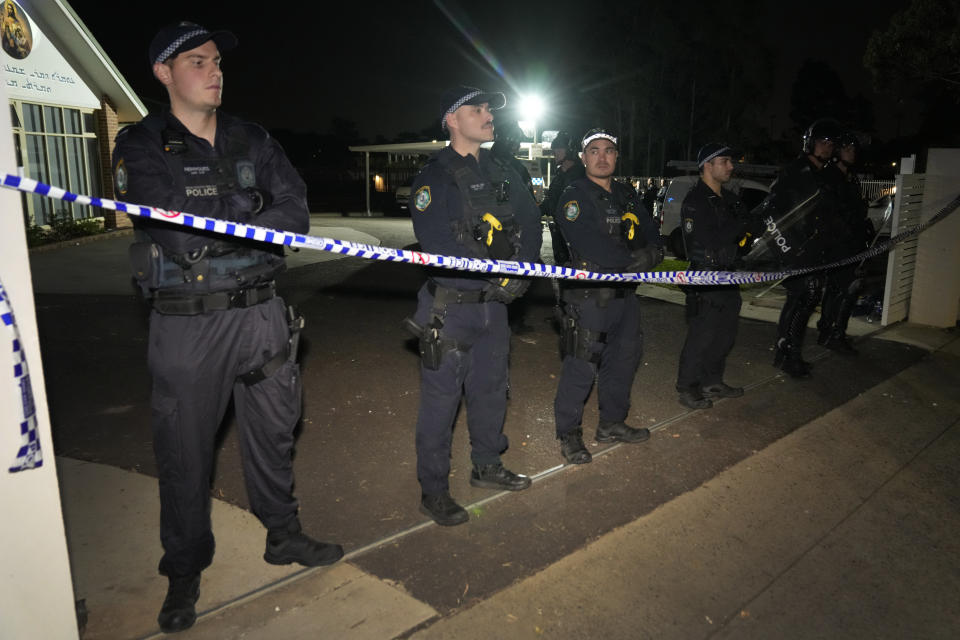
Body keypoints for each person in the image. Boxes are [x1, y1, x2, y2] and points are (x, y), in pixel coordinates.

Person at [113, 22, 342, 634]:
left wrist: (229, 215)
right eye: (197, 61)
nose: (214, 71)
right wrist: (249, 212)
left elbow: (295, 213)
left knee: (274, 434)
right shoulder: (141, 144)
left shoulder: (252, 137)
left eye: (217, 61)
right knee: (185, 453)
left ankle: (283, 536)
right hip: (190, 325)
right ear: (163, 73)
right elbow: (177, 232)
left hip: (263, 313)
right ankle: (184, 569)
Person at [406, 86, 542, 526]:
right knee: (441, 403)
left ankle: (487, 466)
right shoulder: (434, 176)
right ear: (451, 119)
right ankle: (435, 490)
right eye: (476, 109)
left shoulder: (505, 171)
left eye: (488, 110)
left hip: (495, 309)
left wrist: (520, 273)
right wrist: (497, 275)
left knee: (489, 392)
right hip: (452, 308)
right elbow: (437, 244)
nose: (487, 116)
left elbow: (532, 223)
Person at [552, 128, 662, 464]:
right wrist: (633, 262)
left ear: (617, 156)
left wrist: (652, 256)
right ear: (583, 157)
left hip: (625, 295)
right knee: (581, 365)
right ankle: (569, 435)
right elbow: (589, 244)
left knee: (624, 360)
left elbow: (652, 234)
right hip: (589, 297)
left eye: (609, 150)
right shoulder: (573, 195)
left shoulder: (627, 195)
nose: (602, 157)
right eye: (595, 151)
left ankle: (612, 423)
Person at [768, 118, 843, 377]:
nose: (827, 148)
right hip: (795, 250)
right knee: (804, 297)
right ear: (810, 143)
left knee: (806, 300)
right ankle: (788, 353)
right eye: (822, 142)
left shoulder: (824, 176)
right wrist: (789, 249)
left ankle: (788, 352)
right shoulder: (793, 172)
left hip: (815, 251)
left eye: (831, 144)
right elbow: (773, 212)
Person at [675, 144, 748, 410]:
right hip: (705, 278)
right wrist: (740, 225)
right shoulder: (695, 201)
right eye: (725, 161)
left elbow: (740, 238)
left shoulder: (728, 199)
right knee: (701, 335)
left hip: (729, 276)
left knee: (725, 334)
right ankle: (687, 386)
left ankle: (712, 380)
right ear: (708, 165)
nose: (730, 167)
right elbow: (707, 240)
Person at [817, 132, 871, 354]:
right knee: (841, 289)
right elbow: (829, 212)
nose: (853, 153)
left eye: (854, 150)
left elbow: (855, 208)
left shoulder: (851, 178)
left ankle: (834, 330)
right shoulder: (829, 176)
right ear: (838, 152)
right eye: (848, 149)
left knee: (850, 288)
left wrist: (863, 224)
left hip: (853, 243)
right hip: (838, 245)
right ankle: (831, 332)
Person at [540, 130, 585, 218]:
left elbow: (560, 203)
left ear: (570, 151)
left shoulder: (576, 175)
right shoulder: (562, 173)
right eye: (554, 150)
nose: (555, 153)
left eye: (559, 149)